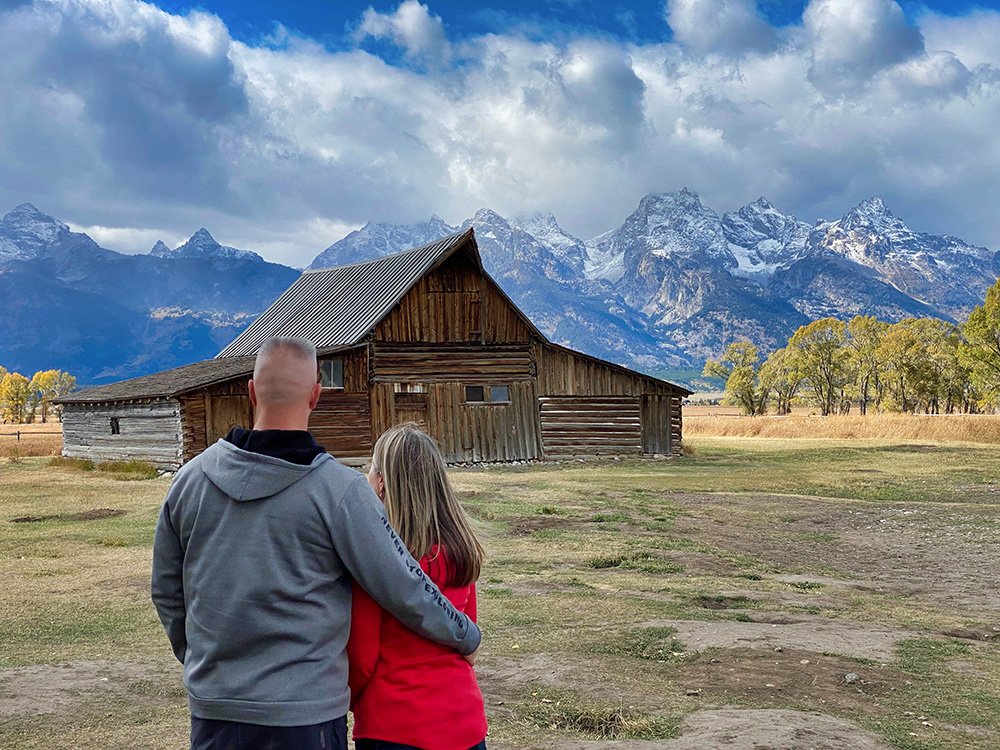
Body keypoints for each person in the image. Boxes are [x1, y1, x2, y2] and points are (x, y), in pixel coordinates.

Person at [151, 337, 480, 750]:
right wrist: (465, 635)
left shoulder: (189, 482)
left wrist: (203, 660)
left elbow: (166, 590)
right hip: (306, 715)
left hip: (215, 710)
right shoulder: (340, 492)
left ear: (251, 392)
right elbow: (403, 585)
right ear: (316, 395)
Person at [349, 422, 488, 750]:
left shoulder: (376, 563)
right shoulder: (459, 553)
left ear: (382, 483)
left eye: (370, 469)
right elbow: (464, 632)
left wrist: (349, 700)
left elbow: (362, 657)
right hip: (463, 720)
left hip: (393, 725)